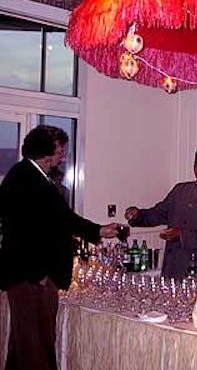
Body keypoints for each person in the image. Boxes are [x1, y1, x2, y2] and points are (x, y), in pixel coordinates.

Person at [0, 125, 124, 370]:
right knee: (36, 346)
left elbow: (62, 218)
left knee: (26, 344)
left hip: (34, 275)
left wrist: (98, 230)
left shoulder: (36, 176)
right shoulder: (24, 177)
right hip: (30, 276)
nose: (63, 156)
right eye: (60, 151)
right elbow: (22, 231)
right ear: (45, 153)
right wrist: (39, 274)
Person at [125, 145, 197, 279]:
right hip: (171, 267)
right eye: (196, 164)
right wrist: (138, 215)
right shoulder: (180, 190)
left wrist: (182, 235)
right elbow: (159, 213)